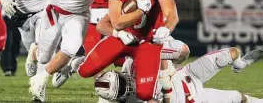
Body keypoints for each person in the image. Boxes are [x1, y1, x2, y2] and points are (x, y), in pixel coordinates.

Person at [77, 0, 179, 101]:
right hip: (124, 37)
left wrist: (167, 29)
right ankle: (121, 78)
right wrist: (140, 11)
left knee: (145, 94)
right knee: (84, 71)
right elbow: (117, 22)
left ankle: (161, 79)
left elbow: (172, 14)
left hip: (148, 42)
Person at [96, 47, 263, 103]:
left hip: (187, 73)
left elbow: (160, 53)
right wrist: (166, 88)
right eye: (123, 90)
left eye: (123, 82)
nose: (128, 85)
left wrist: (169, 67)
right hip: (192, 98)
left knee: (233, 53)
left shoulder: (131, 64)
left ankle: (240, 65)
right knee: (237, 97)